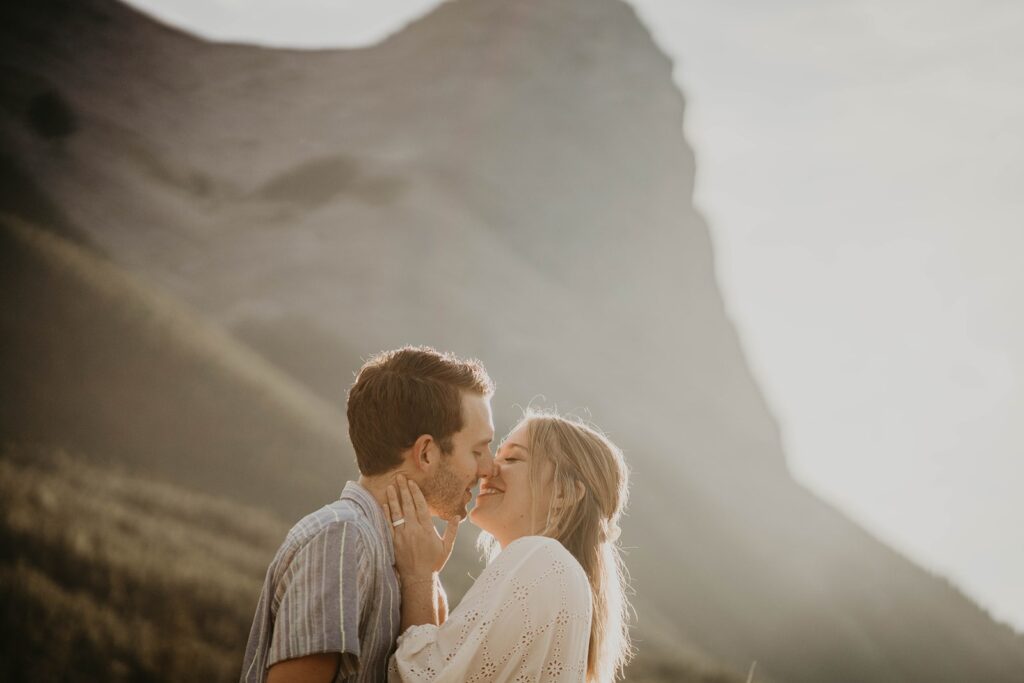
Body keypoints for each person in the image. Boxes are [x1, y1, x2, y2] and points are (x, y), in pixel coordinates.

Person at [240, 346, 497, 683]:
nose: (489, 468)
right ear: (426, 453)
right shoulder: (342, 540)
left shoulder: (397, 555)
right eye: (478, 450)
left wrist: (425, 578)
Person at [385, 411, 632, 682]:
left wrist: (419, 576)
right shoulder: (560, 575)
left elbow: (422, 676)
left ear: (563, 493)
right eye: (496, 455)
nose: (488, 469)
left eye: (512, 458)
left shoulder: (542, 558)